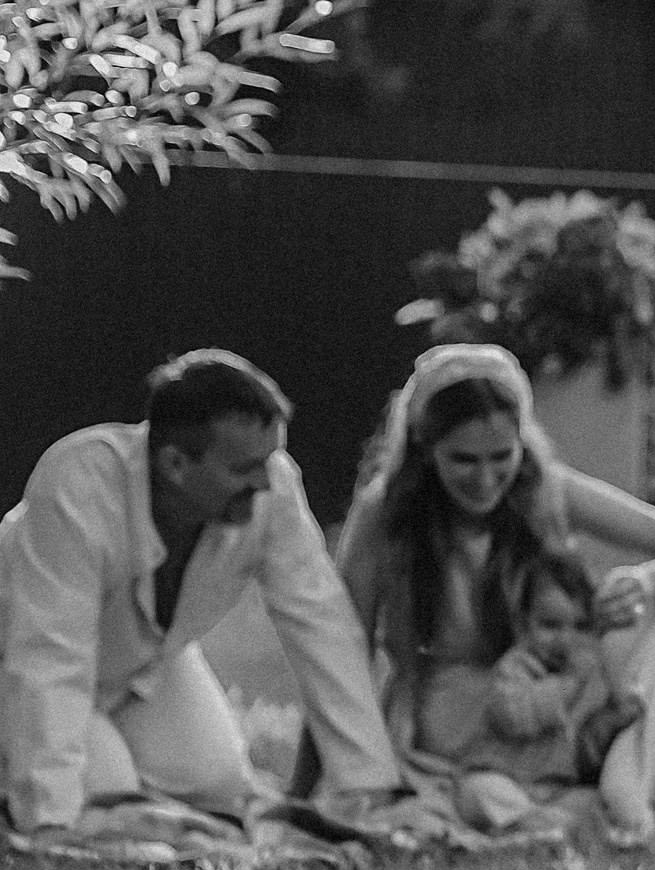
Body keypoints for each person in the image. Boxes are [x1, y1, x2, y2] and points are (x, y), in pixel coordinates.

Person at [331, 343, 655, 846]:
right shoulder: (385, 513)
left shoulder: (544, 488)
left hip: (550, 712)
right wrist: (317, 784)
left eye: (500, 457)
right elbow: (339, 654)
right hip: (458, 733)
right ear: (424, 449)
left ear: (521, 444)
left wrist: (647, 583)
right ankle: (609, 799)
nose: (485, 481)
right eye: (462, 460)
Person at [0, 350, 410, 843]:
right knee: (99, 792)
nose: (264, 482)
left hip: (139, 667)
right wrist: (50, 819)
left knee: (217, 783)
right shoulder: (79, 485)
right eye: (244, 468)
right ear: (175, 463)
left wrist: (368, 789)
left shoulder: (271, 484)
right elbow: (49, 657)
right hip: (18, 668)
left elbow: (320, 622)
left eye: (269, 460)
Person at [446, 548, 644, 834]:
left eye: (579, 627)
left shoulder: (592, 678)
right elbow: (516, 718)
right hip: (505, 778)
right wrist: (568, 685)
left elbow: (585, 752)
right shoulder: (515, 667)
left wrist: (609, 721)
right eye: (550, 625)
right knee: (479, 792)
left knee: (597, 803)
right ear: (524, 624)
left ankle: (546, 827)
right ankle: (532, 824)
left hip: (557, 790)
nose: (564, 640)